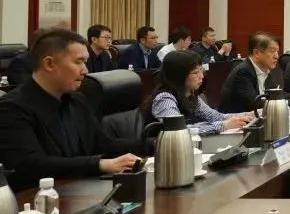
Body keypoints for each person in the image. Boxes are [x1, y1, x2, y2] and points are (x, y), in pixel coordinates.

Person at [0, 29, 144, 192]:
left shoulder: (77, 99)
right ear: (49, 64)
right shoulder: (11, 108)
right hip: (37, 199)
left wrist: (153, 144)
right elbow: (32, 165)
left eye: (85, 62)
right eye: (78, 62)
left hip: (79, 190)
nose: (85, 71)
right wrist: (100, 164)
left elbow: (103, 144)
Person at [145, 51, 252, 135]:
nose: (201, 76)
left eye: (201, 70)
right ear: (179, 76)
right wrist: (223, 126)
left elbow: (215, 117)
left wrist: (249, 115)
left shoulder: (190, 95)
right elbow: (179, 131)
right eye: (196, 72)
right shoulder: (164, 98)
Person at [218, 33, 290, 113]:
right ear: (256, 53)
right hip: (235, 125)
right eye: (272, 51)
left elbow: (277, 96)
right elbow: (256, 104)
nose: (276, 56)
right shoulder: (243, 72)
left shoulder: (266, 71)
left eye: (277, 51)